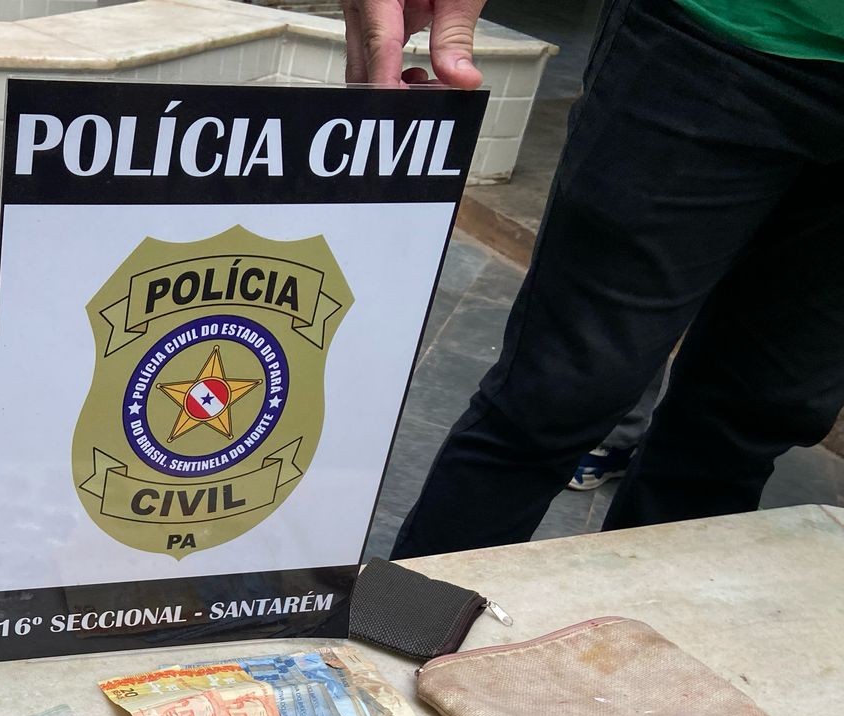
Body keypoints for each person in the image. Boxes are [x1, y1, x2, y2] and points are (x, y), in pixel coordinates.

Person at [340, 0, 844, 557]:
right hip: (719, 38)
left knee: (754, 418)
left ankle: (650, 612)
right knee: (558, 392)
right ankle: (410, 610)